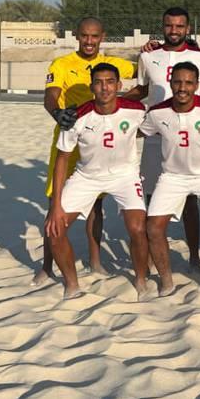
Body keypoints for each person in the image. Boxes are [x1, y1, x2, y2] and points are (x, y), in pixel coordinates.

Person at [33, 16, 137, 286]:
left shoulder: (115, 64)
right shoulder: (62, 64)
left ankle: (95, 261)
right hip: (70, 137)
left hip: (101, 138)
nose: (89, 41)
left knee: (96, 204)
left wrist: (149, 51)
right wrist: (57, 113)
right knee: (54, 203)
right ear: (76, 36)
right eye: (84, 36)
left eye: (94, 36)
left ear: (102, 37)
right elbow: (50, 96)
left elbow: (144, 73)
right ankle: (46, 266)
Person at [127, 7, 200, 271]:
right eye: (169, 26)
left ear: (188, 29)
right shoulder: (149, 56)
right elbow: (142, 89)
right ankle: (151, 256)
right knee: (152, 195)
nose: (174, 31)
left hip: (192, 135)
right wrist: (113, 103)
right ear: (162, 27)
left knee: (192, 199)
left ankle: (194, 254)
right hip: (155, 133)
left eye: (179, 26)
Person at [45, 63, 150, 300]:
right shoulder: (76, 116)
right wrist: (56, 204)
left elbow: (152, 129)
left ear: (119, 85)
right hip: (87, 177)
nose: (105, 88)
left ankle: (141, 279)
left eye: (110, 82)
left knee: (137, 228)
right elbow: (62, 160)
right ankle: (72, 285)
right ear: (92, 86)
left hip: (125, 176)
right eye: (99, 82)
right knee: (54, 230)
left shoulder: (136, 110)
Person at [139, 62, 200, 297]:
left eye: (189, 83)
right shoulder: (157, 113)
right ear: (170, 83)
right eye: (178, 82)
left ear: (197, 85)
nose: (183, 87)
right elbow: (135, 131)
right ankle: (167, 281)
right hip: (172, 177)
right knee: (153, 227)